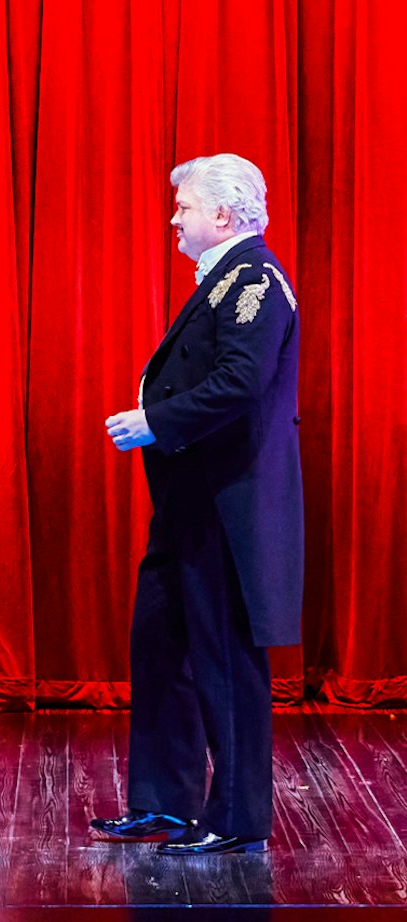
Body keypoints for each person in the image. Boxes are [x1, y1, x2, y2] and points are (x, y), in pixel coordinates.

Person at [94, 154, 301, 855]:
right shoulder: (223, 281)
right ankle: (166, 801)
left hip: (227, 507)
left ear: (222, 214)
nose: (173, 218)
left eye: (182, 206)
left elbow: (242, 381)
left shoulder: (255, 279)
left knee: (224, 660)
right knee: (160, 646)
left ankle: (238, 818)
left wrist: (159, 420)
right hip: (188, 506)